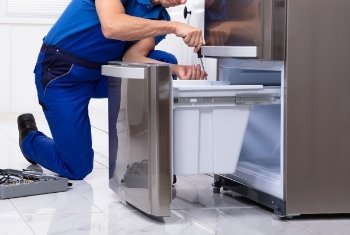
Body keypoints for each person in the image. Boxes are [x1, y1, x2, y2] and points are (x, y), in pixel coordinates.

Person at [17, 0, 207, 180]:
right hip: (63, 76)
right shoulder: (165, 23)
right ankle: (29, 140)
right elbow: (112, 26)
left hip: (103, 72)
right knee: (77, 167)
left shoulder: (158, 16)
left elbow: (132, 57)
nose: (181, 0)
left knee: (163, 66)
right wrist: (174, 27)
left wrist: (177, 70)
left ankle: (147, 162)